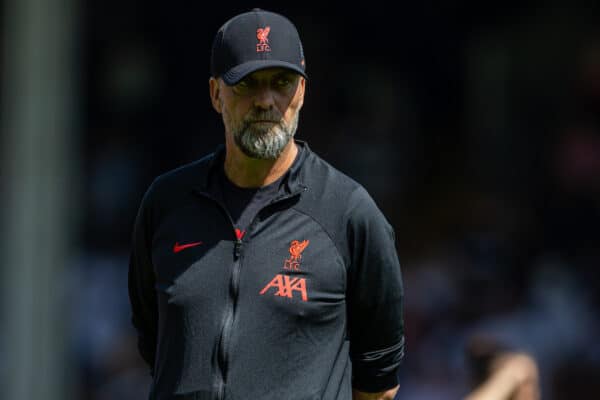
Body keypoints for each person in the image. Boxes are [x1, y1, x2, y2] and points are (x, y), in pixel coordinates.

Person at [128, 8, 405, 400]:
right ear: (215, 94)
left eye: (281, 82)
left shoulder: (350, 214)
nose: (265, 101)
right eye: (247, 84)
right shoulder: (166, 204)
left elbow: (379, 385)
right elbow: (156, 342)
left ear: (303, 92)